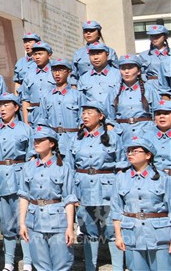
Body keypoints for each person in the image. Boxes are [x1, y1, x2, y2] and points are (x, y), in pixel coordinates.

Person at [70, 101, 124, 271]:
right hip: (83, 189)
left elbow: (121, 165)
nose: (85, 116)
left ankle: (117, 267)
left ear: (100, 116)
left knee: (112, 230)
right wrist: (73, 194)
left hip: (107, 189)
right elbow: (70, 167)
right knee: (88, 230)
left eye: (89, 112)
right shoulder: (76, 138)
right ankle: (90, 267)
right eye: (83, 113)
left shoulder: (113, 137)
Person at [18, 125, 77, 271]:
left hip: (57, 222)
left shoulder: (63, 167)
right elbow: (24, 196)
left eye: (41, 140)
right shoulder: (28, 167)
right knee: (40, 265)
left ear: (51, 143)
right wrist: (22, 223)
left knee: (62, 264)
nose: (36, 143)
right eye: (35, 140)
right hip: (34, 221)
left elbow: (69, 199)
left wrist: (70, 227)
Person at [0, 93, 33, 271]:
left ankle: (28, 262)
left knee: (23, 221)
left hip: (19, 177)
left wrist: (29, 179)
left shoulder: (25, 129)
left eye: (6, 105)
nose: (2, 108)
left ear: (16, 107)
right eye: (0, 105)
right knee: (6, 224)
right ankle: (9, 263)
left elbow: (31, 156)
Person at [111, 135, 171, 271]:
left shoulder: (163, 178)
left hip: (159, 235)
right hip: (133, 234)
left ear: (148, 155)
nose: (130, 154)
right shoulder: (121, 178)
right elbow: (116, 210)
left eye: (135, 151)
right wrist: (118, 236)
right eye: (128, 151)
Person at [107, 54, 159, 143]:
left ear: (138, 71)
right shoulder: (114, 92)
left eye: (130, 68)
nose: (126, 71)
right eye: (123, 68)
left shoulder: (149, 90)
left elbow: (157, 112)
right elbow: (110, 118)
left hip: (145, 133)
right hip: (123, 135)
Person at [37, 59, 82, 161]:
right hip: (53, 141)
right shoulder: (46, 96)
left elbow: (82, 120)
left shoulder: (77, 95)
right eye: (54, 70)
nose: (57, 74)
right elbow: (42, 120)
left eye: (61, 70)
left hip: (72, 140)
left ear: (69, 72)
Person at [21, 41, 56, 124]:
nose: (37, 57)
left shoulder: (56, 71)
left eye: (40, 54)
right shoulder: (29, 74)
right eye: (35, 54)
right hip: (35, 116)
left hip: (53, 114)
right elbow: (25, 100)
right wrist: (26, 123)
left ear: (49, 55)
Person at [140, 24, 170, 95]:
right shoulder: (144, 56)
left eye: (158, 35)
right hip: (151, 89)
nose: (155, 38)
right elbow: (140, 73)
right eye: (152, 36)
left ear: (165, 37)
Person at [145, 97, 171, 174]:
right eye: (158, 114)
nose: (161, 116)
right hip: (154, 176)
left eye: (166, 113)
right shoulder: (147, 137)